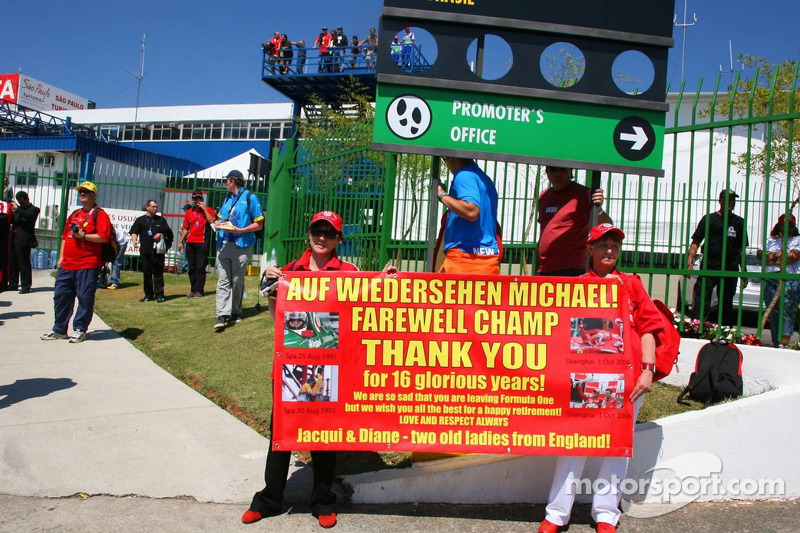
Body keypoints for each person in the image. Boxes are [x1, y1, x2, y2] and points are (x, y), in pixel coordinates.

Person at [538, 223, 663, 533]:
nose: (610, 251)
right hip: (584, 379)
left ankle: (606, 513)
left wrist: (647, 370)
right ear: (589, 249)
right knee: (573, 445)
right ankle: (557, 514)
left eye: (615, 246)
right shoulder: (577, 286)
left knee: (616, 447)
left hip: (628, 382)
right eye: (603, 245)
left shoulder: (632, 284)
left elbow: (648, 328)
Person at [241, 210, 358, 529]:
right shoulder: (291, 270)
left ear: (338, 239)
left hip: (330, 369)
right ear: (309, 234)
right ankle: (268, 499)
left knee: (324, 438)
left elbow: (365, 311)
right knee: (281, 436)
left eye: (330, 233)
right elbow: (274, 315)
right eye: (317, 231)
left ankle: (322, 501)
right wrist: (269, 281)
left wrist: (388, 281)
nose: (322, 238)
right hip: (292, 366)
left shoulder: (349, 272)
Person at [41, 181, 112, 343]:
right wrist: (61, 257)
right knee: (61, 296)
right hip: (68, 265)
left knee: (85, 297)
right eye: (81, 191)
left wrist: (84, 236)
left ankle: (80, 329)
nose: (82, 194)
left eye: (86, 192)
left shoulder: (99, 215)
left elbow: (103, 237)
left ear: (94, 195)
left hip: (88, 264)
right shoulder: (74, 214)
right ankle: (59, 329)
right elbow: (65, 237)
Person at [687, 189, 748, 326]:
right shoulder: (709, 219)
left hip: (729, 267)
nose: (731, 203)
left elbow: (741, 250)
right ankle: (697, 327)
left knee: (726, 303)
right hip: (710, 264)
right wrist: (690, 261)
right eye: (727, 200)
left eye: (733, 200)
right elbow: (696, 241)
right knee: (702, 300)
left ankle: (724, 331)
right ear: (720, 201)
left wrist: (743, 270)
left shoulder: (739, 222)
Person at [213, 170, 264, 331]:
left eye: (227, 180)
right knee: (223, 281)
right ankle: (221, 315)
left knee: (236, 281)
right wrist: (217, 224)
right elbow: (221, 218)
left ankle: (235, 311)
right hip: (224, 244)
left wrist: (241, 230)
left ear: (233, 181)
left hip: (242, 245)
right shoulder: (227, 198)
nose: (226, 183)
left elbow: (259, 224)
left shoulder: (251, 198)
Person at [536, 166, 610, 276]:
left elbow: (606, 226)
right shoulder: (544, 196)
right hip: (544, 269)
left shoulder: (584, 194)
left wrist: (598, 209)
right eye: (552, 170)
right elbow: (544, 233)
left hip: (572, 268)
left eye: (562, 169)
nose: (557, 174)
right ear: (546, 173)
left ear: (570, 171)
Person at [437, 157, 502, 275]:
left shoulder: (463, 175)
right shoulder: (485, 179)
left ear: (449, 158)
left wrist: (442, 195)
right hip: (488, 262)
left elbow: (471, 211)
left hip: (464, 260)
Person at [757, 213, 800, 347]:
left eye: (791, 225)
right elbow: (761, 256)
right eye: (785, 225)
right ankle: (776, 343)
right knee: (773, 311)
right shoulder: (771, 240)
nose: (788, 228)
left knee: (788, 311)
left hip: (789, 278)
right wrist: (783, 257)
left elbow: (793, 257)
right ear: (779, 225)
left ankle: (784, 343)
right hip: (771, 278)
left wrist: (772, 257)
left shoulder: (798, 240)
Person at [129, 199, 174, 303]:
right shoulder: (140, 220)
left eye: (156, 207)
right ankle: (148, 294)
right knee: (147, 273)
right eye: (153, 207)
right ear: (147, 207)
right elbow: (134, 232)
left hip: (157, 251)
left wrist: (161, 235)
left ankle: (159, 294)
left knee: (158, 273)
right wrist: (134, 241)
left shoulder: (161, 220)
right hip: (145, 251)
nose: (155, 208)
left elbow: (169, 234)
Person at [178, 191, 216, 298]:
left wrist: (204, 209)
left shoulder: (208, 210)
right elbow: (185, 228)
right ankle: (193, 290)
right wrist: (181, 241)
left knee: (200, 267)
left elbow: (212, 221)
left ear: (202, 199)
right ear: (193, 200)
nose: (197, 201)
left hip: (202, 242)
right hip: (190, 242)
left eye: (199, 198)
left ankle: (200, 290)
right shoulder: (189, 212)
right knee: (192, 267)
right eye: (195, 199)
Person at [8, 191, 40, 294]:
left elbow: (29, 217)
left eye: (23, 201)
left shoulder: (34, 209)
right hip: (15, 238)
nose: (22, 204)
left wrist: (17, 209)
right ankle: (13, 283)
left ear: (27, 199)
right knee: (13, 262)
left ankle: (26, 285)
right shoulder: (19, 210)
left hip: (25, 240)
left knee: (24, 263)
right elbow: (14, 220)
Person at [106, 223, 129, 290]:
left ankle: (115, 283)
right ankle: (108, 281)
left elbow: (114, 244)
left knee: (116, 262)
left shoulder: (111, 231)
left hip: (121, 243)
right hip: (114, 244)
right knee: (112, 261)